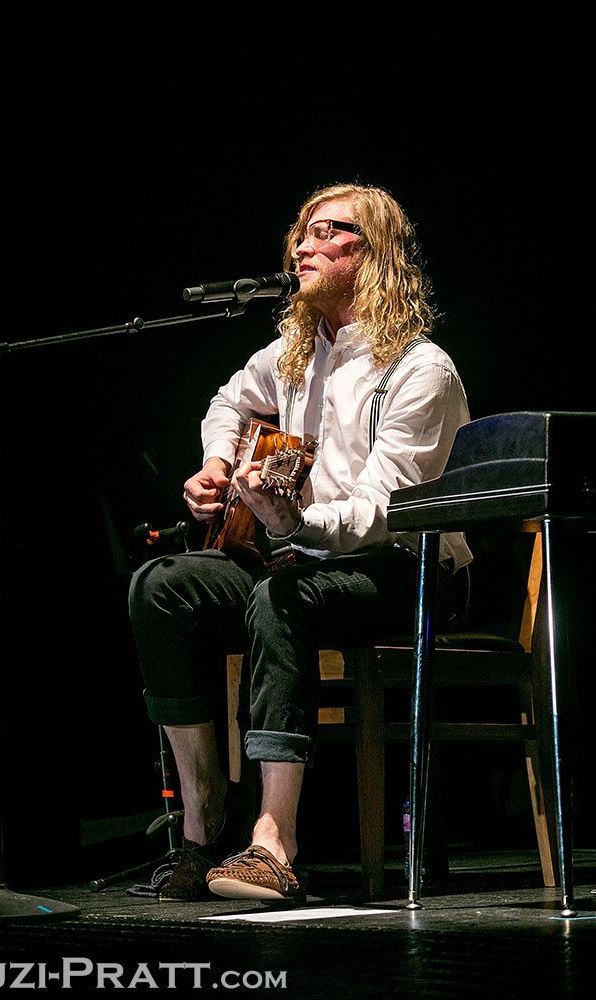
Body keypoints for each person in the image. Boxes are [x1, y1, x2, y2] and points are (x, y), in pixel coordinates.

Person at [128, 182, 472, 901]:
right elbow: (230, 400)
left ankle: (272, 842)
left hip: (405, 568)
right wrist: (218, 461)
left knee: (278, 596)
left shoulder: (418, 369)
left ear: (370, 252)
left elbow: (382, 514)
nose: (301, 246)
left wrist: (289, 522)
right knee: (163, 585)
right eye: (300, 233)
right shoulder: (293, 352)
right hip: (306, 557)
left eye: (326, 232)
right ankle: (200, 824)